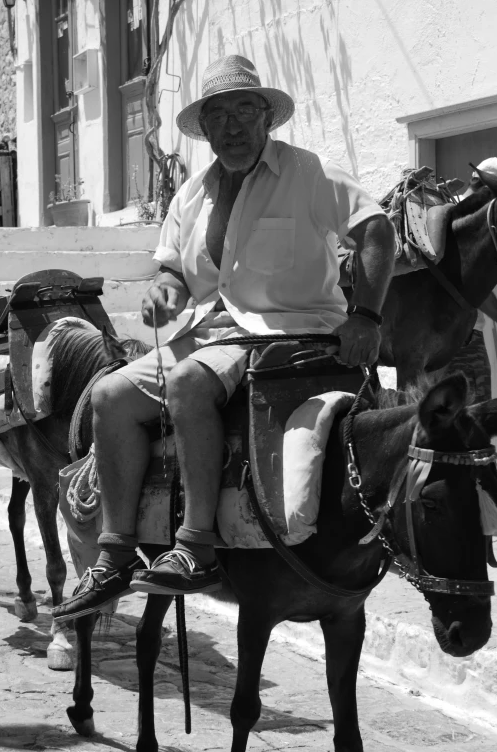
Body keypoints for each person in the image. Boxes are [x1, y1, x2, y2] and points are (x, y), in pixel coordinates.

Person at [52, 55, 394, 622]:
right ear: (205, 129)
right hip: (210, 331)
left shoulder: (307, 174)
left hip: (290, 333)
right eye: (219, 115)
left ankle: (196, 547)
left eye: (244, 110)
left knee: (188, 383)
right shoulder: (191, 196)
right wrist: (165, 292)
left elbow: (375, 229)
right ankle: (113, 555)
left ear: (266, 117)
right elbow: (174, 275)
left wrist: (367, 317)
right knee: (110, 396)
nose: (232, 126)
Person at [447, 157, 497, 401]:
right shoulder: (453, 217)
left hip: (470, 334)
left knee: (475, 421)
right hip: (450, 336)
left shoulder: (483, 217)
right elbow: (467, 284)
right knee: (460, 422)